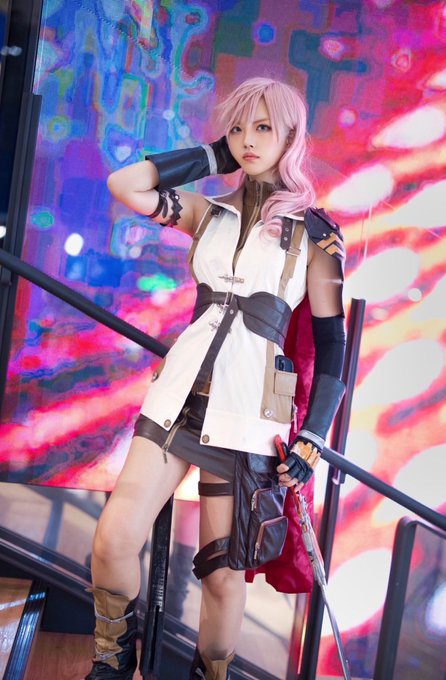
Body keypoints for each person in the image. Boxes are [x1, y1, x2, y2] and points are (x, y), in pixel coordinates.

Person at [84, 77, 346, 680]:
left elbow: (331, 343)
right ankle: (111, 664)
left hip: (248, 415)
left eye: (263, 127)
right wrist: (212, 158)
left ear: (291, 136)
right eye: (237, 128)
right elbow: (126, 184)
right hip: (176, 399)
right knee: (114, 540)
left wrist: (313, 437)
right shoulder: (209, 213)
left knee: (224, 577)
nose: (249, 140)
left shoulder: (316, 235)